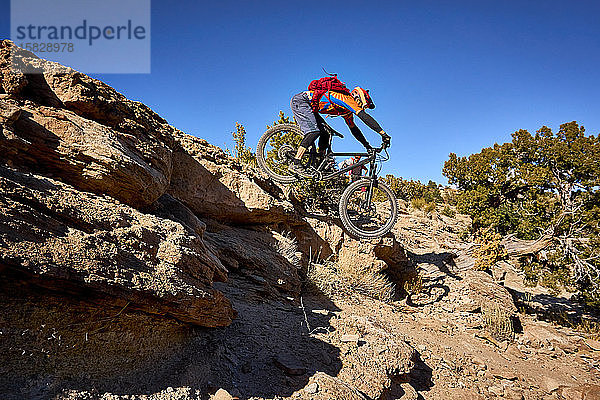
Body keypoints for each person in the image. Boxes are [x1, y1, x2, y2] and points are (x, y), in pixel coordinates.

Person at [289, 76, 390, 175]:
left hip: (311, 108)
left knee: (326, 133)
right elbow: (363, 116)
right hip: (301, 102)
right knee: (314, 131)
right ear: (358, 97)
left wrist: (367, 146)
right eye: (363, 105)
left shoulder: (347, 112)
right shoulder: (346, 99)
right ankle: (296, 163)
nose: (361, 107)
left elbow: (354, 129)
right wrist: (383, 134)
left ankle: (319, 165)